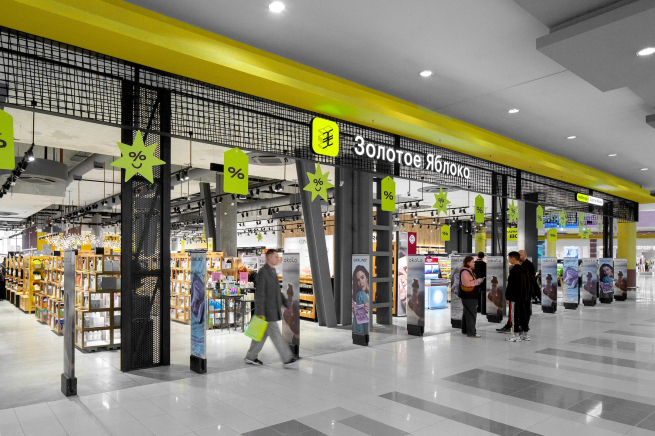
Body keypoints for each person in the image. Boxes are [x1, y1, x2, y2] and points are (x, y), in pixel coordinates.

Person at [244, 249, 296, 366]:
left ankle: (250, 356)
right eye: (276, 257)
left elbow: (277, 291)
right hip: (267, 311)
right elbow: (260, 293)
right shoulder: (263, 272)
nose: (278, 259)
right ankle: (287, 358)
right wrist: (260, 311)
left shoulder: (272, 272)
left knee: (261, 335)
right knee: (276, 334)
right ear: (269, 258)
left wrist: (286, 303)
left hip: (271, 310)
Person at [506, 251, 530, 342]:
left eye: (509, 258)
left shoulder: (513, 270)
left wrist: (508, 297)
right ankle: (525, 335)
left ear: (512, 258)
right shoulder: (524, 269)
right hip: (523, 296)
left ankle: (515, 335)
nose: (508, 259)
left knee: (514, 316)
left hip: (515, 297)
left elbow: (511, 285)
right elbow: (528, 284)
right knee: (523, 315)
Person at [459, 256, 484, 338]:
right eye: (472, 262)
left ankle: (465, 329)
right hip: (469, 295)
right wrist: (478, 281)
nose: (474, 263)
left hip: (468, 295)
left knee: (467, 312)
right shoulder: (465, 272)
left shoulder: (468, 271)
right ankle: (471, 332)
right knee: (471, 313)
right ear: (468, 263)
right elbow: (467, 283)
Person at [352, 265, 370, 335]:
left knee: (360, 294)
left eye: (362, 278)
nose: (361, 282)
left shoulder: (364, 294)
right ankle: (360, 334)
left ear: (367, 277)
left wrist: (369, 308)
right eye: (358, 280)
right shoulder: (358, 295)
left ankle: (360, 335)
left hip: (367, 326)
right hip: (362, 325)